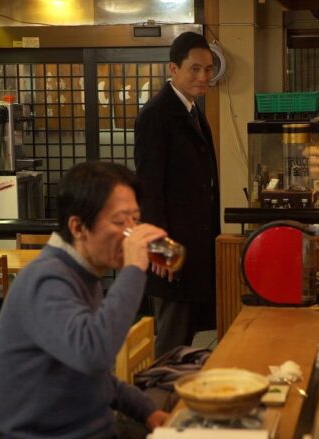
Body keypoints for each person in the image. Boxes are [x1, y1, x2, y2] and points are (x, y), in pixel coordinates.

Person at [0, 162, 169, 439]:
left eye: (136, 220)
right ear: (78, 227)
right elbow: (93, 354)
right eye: (121, 222)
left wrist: (147, 411)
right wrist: (133, 269)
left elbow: (92, 376)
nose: (132, 233)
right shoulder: (46, 280)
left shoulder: (83, 274)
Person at [134, 31, 221, 356]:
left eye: (208, 69)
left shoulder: (194, 111)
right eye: (194, 69)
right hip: (170, 250)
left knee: (187, 338)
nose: (203, 76)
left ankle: (178, 387)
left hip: (193, 245)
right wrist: (160, 248)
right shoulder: (157, 114)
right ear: (173, 69)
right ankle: (159, 391)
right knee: (171, 341)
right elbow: (149, 188)